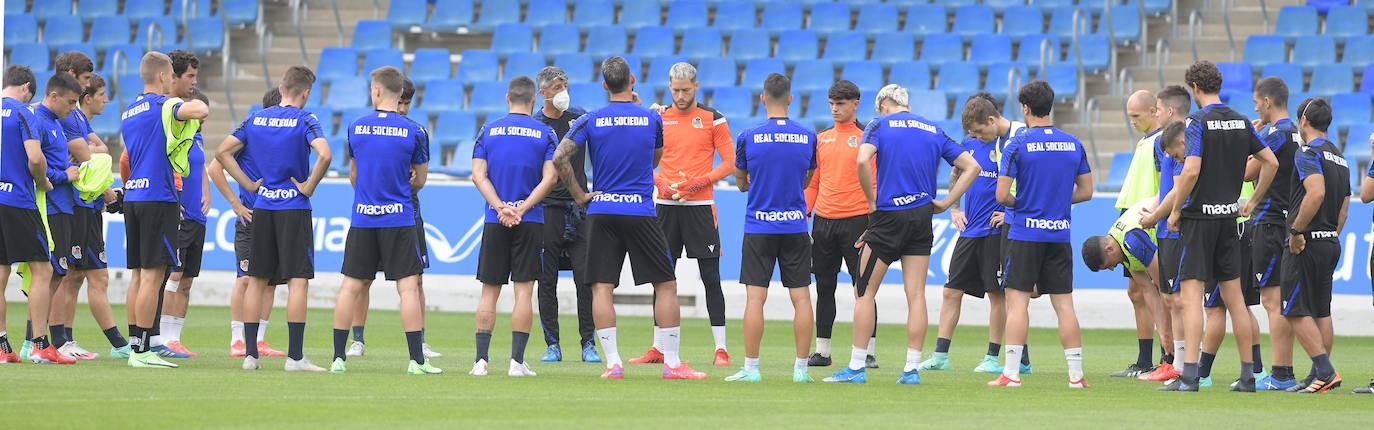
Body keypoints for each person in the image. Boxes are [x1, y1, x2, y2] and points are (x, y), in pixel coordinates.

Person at [551, 56, 706, 380]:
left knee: (602, 287)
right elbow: (655, 159)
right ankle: (672, 364)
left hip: (602, 209)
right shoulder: (652, 118)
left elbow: (559, 157)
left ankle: (613, 363)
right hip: (639, 210)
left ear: (604, 85)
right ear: (632, 80)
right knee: (666, 285)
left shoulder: (590, 119)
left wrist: (579, 194)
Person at [824, 84, 980, 385]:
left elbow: (861, 160)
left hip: (888, 216)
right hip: (921, 216)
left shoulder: (879, 125)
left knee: (864, 292)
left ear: (884, 105)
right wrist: (946, 202)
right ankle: (911, 369)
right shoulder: (933, 129)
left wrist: (871, 202)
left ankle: (856, 367)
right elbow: (972, 166)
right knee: (916, 295)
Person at [1158, 61, 1278, 392]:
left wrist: (1175, 210)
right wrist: (1252, 202)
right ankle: (1247, 375)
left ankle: (1190, 375)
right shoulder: (1241, 120)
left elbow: (1191, 169)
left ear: (1195, 88)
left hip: (1199, 219)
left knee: (1191, 296)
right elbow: (1271, 162)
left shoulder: (1197, 121)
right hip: (1229, 220)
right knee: (1236, 300)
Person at [216, 65, 332, 372]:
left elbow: (222, 152)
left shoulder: (255, 118)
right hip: (293, 207)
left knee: (256, 280)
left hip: (263, 206)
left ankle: (250, 355)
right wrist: (309, 186)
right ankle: (295, 358)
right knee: (297, 281)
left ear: (281, 88)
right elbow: (325, 154)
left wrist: (248, 183)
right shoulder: (305, 119)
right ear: (305, 93)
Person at [329, 66, 439, 375]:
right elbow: (420, 180)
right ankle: (417, 361)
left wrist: (369, 194)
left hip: (363, 217)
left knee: (350, 286)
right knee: (408, 288)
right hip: (399, 218)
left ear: (376, 91)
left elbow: (354, 175)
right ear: (400, 93)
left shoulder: (356, 127)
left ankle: (338, 358)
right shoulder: (415, 131)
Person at [987, 81, 1093, 388]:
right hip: (1059, 235)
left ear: (1025, 108)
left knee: (1017, 303)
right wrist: (1056, 201)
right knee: (1065, 305)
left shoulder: (1017, 144)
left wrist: (1025, 203)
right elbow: (1086, 192)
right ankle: (1076, 376)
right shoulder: (1073, 143)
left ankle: (1011, 374)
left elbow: (1001, 194)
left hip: (1025, 234)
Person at [630, 61, 736, 368]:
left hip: (700, 208)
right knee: (662, 277)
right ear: (669, 87)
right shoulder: (659, 117)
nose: (680, 96)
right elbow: (640, 160)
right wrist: (660, 183)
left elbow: (729, 162)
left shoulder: (713, 118)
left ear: (696, 87)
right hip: (665, 207)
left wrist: (699, 183)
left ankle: (721, 348)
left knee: (711, 277)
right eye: (675, 90)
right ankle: (658, 347)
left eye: (686, 91)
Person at [920, 93, 1026, 374]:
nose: (977, 136)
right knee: (951, 291)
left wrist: (1010, 213)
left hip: (995, 231)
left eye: (979, 130)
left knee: (996, 294)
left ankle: (992, 357)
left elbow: (1025, 182)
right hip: (970, 230)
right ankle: (940, 356)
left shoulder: (1009, 144)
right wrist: (954, 208)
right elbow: (956, 175)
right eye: (973, 132)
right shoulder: (969, 144)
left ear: (990, 119)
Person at [724, 73, 816, 383]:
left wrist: (753, 182)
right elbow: (807, 179)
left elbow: (740, 182)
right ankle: (801, 370)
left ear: (763, 99)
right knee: (801, 298)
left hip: (759, 226)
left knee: (755, 299)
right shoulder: (807, 136)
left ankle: (751, 368)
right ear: (790, 99)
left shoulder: (748, 136)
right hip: (795, 226)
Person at [120, 52, 210, 368]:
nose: (174, 79)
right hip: (159, 195)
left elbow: (126, 158)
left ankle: (135, 344)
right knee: (152, 276)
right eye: (172, 75)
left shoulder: (129, 110)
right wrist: (184, 104)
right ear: (162, 76)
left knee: (137, 275)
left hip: (134, 196)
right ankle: (143, 351)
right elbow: (199, 109)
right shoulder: (164, 106)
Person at [466, 76, 559, 377]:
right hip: (529, 220)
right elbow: (550, 178)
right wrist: (522, 207)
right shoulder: (545, 133)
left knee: (489, 292)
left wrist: (500, 207)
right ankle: (516, 362)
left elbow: (478, 175)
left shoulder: (488, 130)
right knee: (523, 292)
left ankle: (481, 361)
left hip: (496, 219)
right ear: (534, 100)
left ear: (507, 98)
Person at [49, 51, 128, 360]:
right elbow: (85, 155)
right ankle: (114, 344)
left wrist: (93, 153)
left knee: (76, 276)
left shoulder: (78, 118)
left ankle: (64, 339)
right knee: (76, 275)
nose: (105, 99)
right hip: (78, 203)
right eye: (97, 90)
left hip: (88, 203)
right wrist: (93, 155)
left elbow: (98, 150)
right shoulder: (69, 117)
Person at [805, 80, 879, 368]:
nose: (835, 109)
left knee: (863, 288)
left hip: (857, 221)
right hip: (823, 222)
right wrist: (805, 213)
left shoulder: (867, 139)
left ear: (855, 104)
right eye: (832, 104)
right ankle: (822, 351)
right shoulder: (821, 139)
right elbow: (814, 183)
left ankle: (868, 351)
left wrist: (874, 220)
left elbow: (875, 182)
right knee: (824, 286)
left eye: (841, 104)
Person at [1, 67, 71, 364]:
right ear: (26, 87)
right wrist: (42, 180)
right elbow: (35, 157)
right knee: (43, 270)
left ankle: (2, 347)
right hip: (18, 200)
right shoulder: (23, 112)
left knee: (0, 272)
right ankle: (40, 344)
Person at [209, 88, 285, 358]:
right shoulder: (250, 134)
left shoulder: (282, 139)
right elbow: (215, 166)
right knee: (245, 279)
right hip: (251, 217)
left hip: (277, 216)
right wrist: (235, 202)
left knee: (271, 282)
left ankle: (260, 339)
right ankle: (237, 339)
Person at [1280, 98, 1348, 393]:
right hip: (1329, 241)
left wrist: (1297, 231)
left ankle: (1325, 371)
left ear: (1304, 121)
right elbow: (1344, 206)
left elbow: (1316, 192)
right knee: (1321, 311)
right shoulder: (1340, 157)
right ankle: (1317, 377)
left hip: (1305, 244)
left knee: (1294, 309)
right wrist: (1330, 234)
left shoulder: (1307, 152)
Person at [531, 66, 597, 364]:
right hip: (547, 210)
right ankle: (552, 344)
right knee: (547, 280)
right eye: (557, 87)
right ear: (543, 92)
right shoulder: (535, 125)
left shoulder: (579, 118)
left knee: (585, 279)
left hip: (580, 210)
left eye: (565, 86)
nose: (563, 92)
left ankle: (588, 343)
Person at [1108, 90, 1169, 378]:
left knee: (1158, 290)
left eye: (1136, 115)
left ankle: (1168, 356)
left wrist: (1154, 215)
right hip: (1132, 222)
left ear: (1154, 111)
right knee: (1136, 292)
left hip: (1147, 226)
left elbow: (1166, 185)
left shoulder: (1160, 142)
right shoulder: (1147, 141)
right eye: (1129, 115)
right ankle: (1145, 359)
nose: (1132, 121)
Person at [1248, 77, 1302, 391]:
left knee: (1272, 300)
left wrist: (1252, 139)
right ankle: (1285, 371)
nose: (1256, 108)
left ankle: (1281, 373)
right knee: (1282, 299)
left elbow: (1247, 173)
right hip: (1288, 219)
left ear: (1267, 101)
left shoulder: (1273, 134)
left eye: (1257, 102)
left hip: (1269, 222)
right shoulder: (1296, 132)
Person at [1137, 85, 1192, 383]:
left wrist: (1160, 215)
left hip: (1176, 229)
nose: (1155, 114)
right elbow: (1166, 187)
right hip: (1165, 226)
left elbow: (1179, 188)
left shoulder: (1189, 141)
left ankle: (1185, 365)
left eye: (1157, 110)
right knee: (1171, 299)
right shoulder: (1165, 143)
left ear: (1169, 111)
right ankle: (1177, 362)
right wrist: (1152, 211)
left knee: (1180, 300)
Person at [156, 50, 206, 358]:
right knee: (172, 276)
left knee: (186, 280)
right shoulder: (169, 119)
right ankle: (161, 337)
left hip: (196, 216)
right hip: (179, 214)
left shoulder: (196, 135)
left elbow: (201, 167)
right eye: (190, 76)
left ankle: (175, 338)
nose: (194, 82)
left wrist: (206, 191)